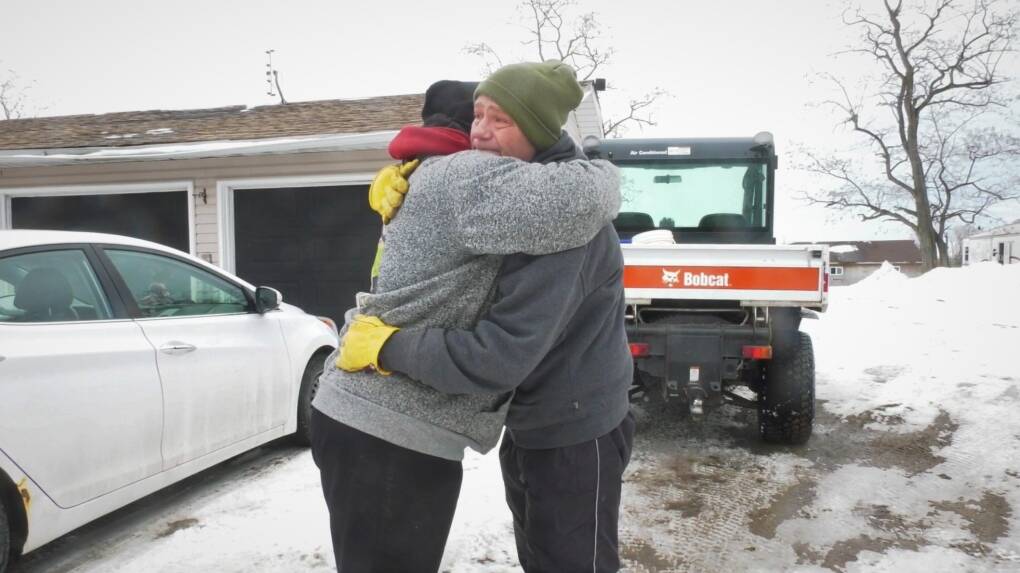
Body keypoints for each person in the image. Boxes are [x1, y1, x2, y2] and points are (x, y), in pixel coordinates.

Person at [311, 63, 621, 572]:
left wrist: (389, 346)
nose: (479, 132)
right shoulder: (483, 183)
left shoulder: (561, 214)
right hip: (430, 426)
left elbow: (500, 355)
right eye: (477, 115)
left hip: (572, 425)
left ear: (539, 128)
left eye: (500, 119)